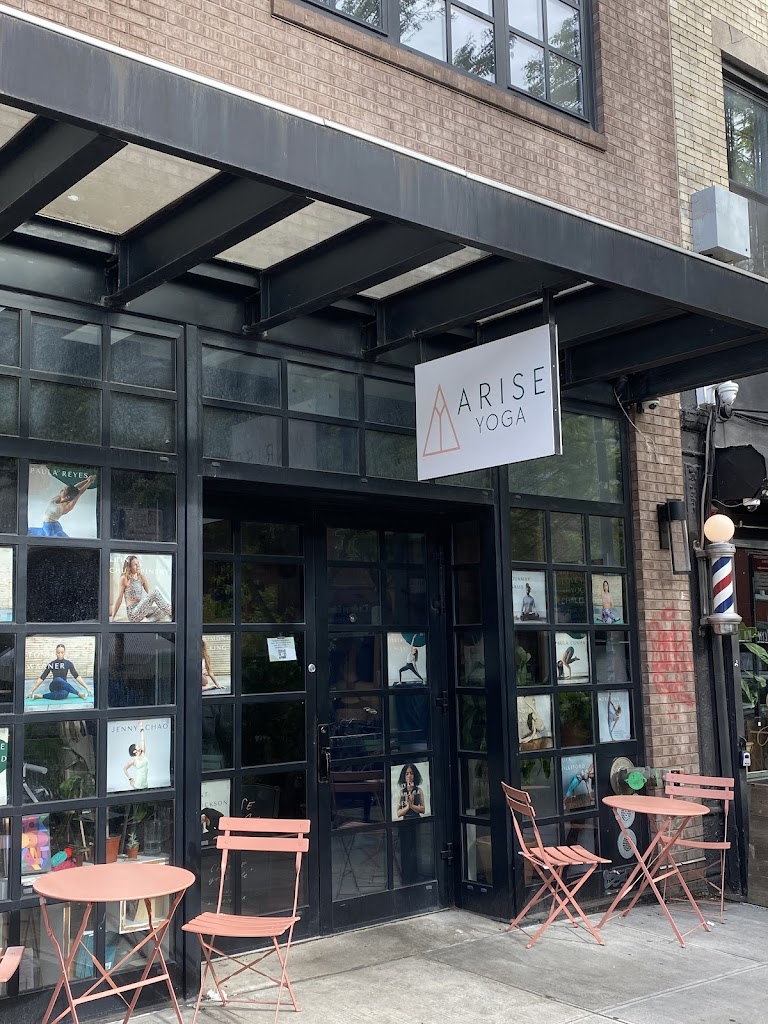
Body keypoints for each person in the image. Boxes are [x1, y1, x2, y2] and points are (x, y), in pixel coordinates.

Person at [28, 474, 96, 537]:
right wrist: (86, 480)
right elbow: (75, 487)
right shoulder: (58, 498)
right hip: (47, 526)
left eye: (63, 490)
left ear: (67, 497)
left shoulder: (66, 506)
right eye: (63, 489)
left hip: (51, 528)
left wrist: (89, 482)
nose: (61, 490)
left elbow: (79, 493)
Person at [111, 555, 172, 623]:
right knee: (155, 593)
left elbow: (150, 593)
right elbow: (119, 599)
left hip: (142, 609)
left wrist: (160, 604)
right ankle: (169, 610)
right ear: (129, 567)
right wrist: (112, 617)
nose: (138, 566)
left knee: (162, 610)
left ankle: (147, 621)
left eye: (138, 564)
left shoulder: (142, 578)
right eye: (135, 565)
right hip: (133, 613)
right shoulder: (124, 578)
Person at [28, 643, 92, 701]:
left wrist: (87, 688)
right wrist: (32, 690)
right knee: (58, 679)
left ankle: (40, 696)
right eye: (58, 652)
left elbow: (77, 676)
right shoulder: (52, 664)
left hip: (64, 686)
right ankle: (78, 693)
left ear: (64, 653)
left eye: (62, 652)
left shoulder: (68, 663)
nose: (60, 654)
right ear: (56, 653)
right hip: (54, 685)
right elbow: (42, 677)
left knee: (64, 694)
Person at [123, 722, 149, 790]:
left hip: (146, 783)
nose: (138, 745)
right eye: (136, 746)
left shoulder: (143, 753)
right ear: (134, 751)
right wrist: (130, 778)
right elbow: (125, 768)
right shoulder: (134, 760)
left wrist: (141, 727)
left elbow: (142, 740)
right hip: (138, 784)